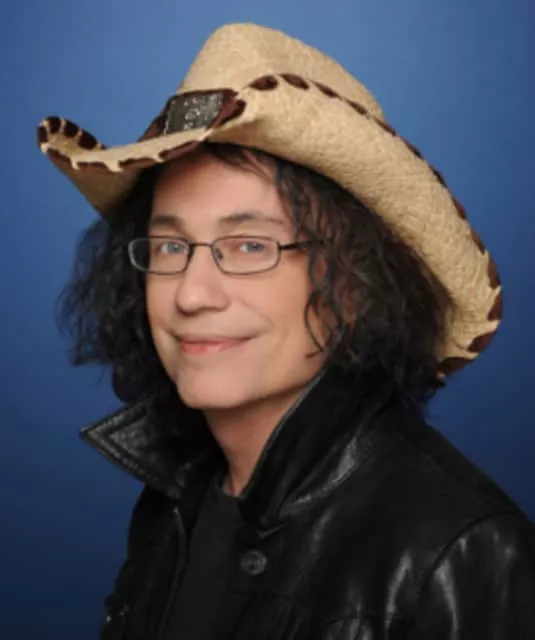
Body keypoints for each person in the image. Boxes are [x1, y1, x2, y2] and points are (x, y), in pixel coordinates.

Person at [37, 22, 535, 640]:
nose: (191, 293)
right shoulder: (175, 499)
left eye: (250, 245)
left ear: (355, 281)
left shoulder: (461, 554)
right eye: (170, 247)